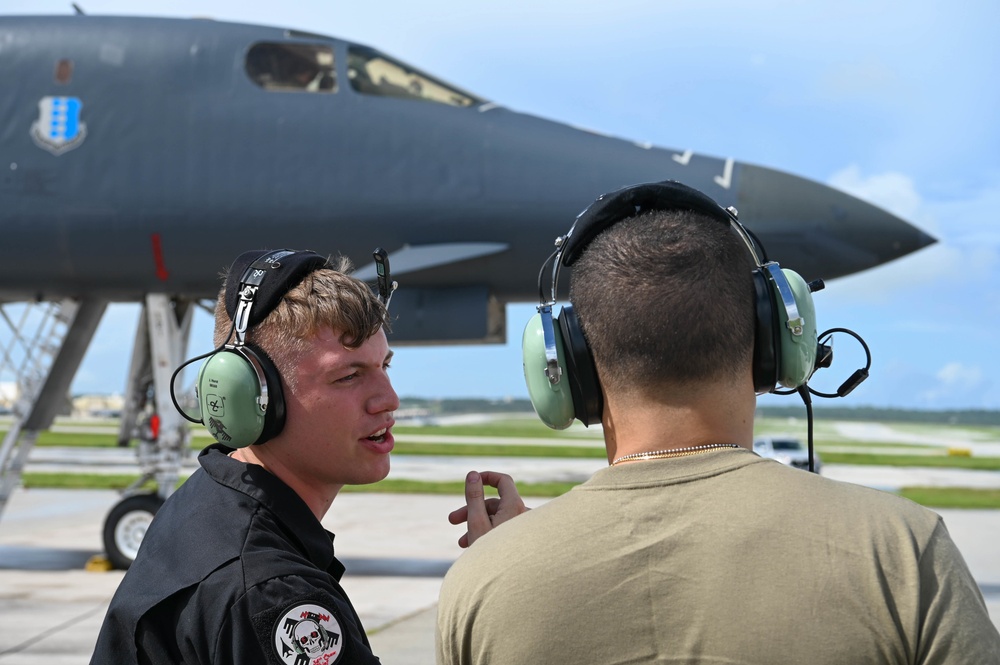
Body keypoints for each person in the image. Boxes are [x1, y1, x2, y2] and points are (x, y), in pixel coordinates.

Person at [436, 181, 1000, 664]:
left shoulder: (481, 585)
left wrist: (519, 561)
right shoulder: (901, 551)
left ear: (567, 366)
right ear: (776, 343)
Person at [92, 249, 396, 664]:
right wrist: (496, 581)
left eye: (385, 366)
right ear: (251, 397)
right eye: (349, 376)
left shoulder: (206, 502)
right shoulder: (273, 595)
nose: (388, 400)